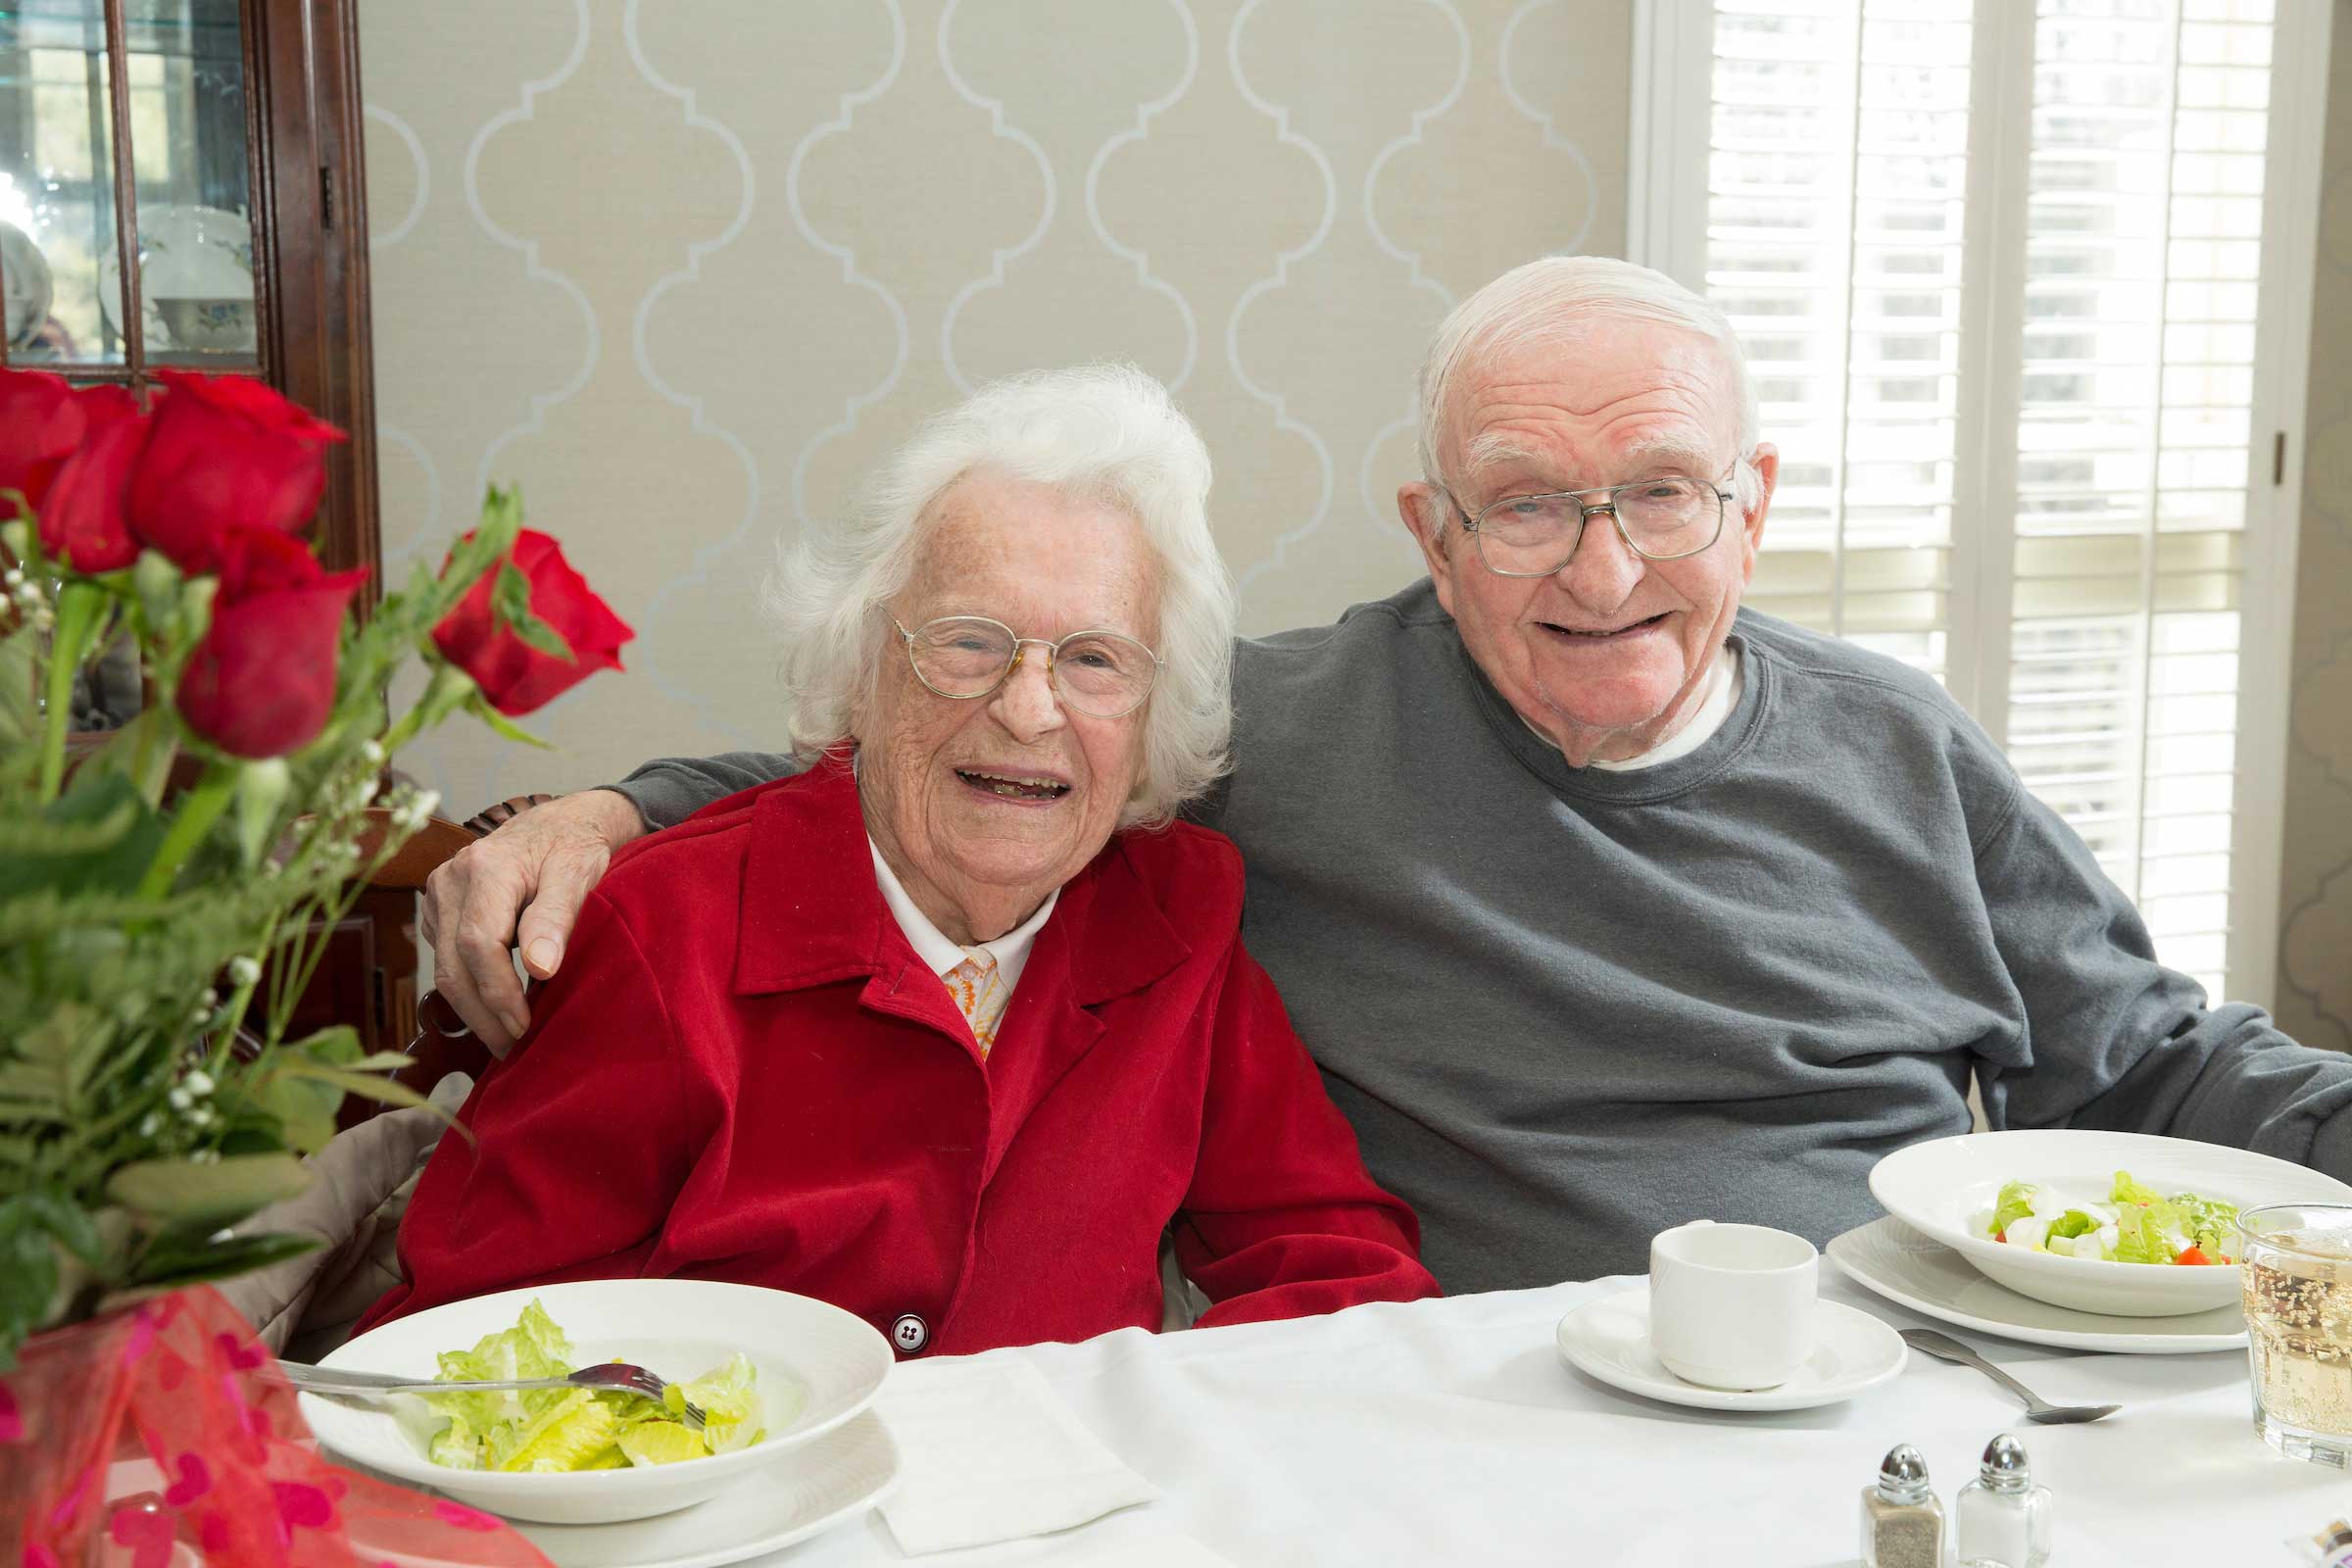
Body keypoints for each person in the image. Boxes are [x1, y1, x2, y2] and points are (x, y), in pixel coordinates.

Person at [421, 257, 2352, 1293]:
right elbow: (965, 754)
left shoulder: (1903, 747)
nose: (1603, 571)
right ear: (1434, 533)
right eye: (1525, 506)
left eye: (1660, 494)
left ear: (1750, 510)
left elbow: (2156, 1062)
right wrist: (607, 810)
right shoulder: (1281, 730)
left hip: (1877, 1401)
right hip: (1495, 1423)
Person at [360, 366, 1438, 1351]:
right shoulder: (660, 935)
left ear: (1154, 712)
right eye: (967, 640)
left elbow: (1333, 1264)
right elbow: (464, 1351)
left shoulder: (1177, 912)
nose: (1027, 711)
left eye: (1095, 659)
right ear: (861, 670)